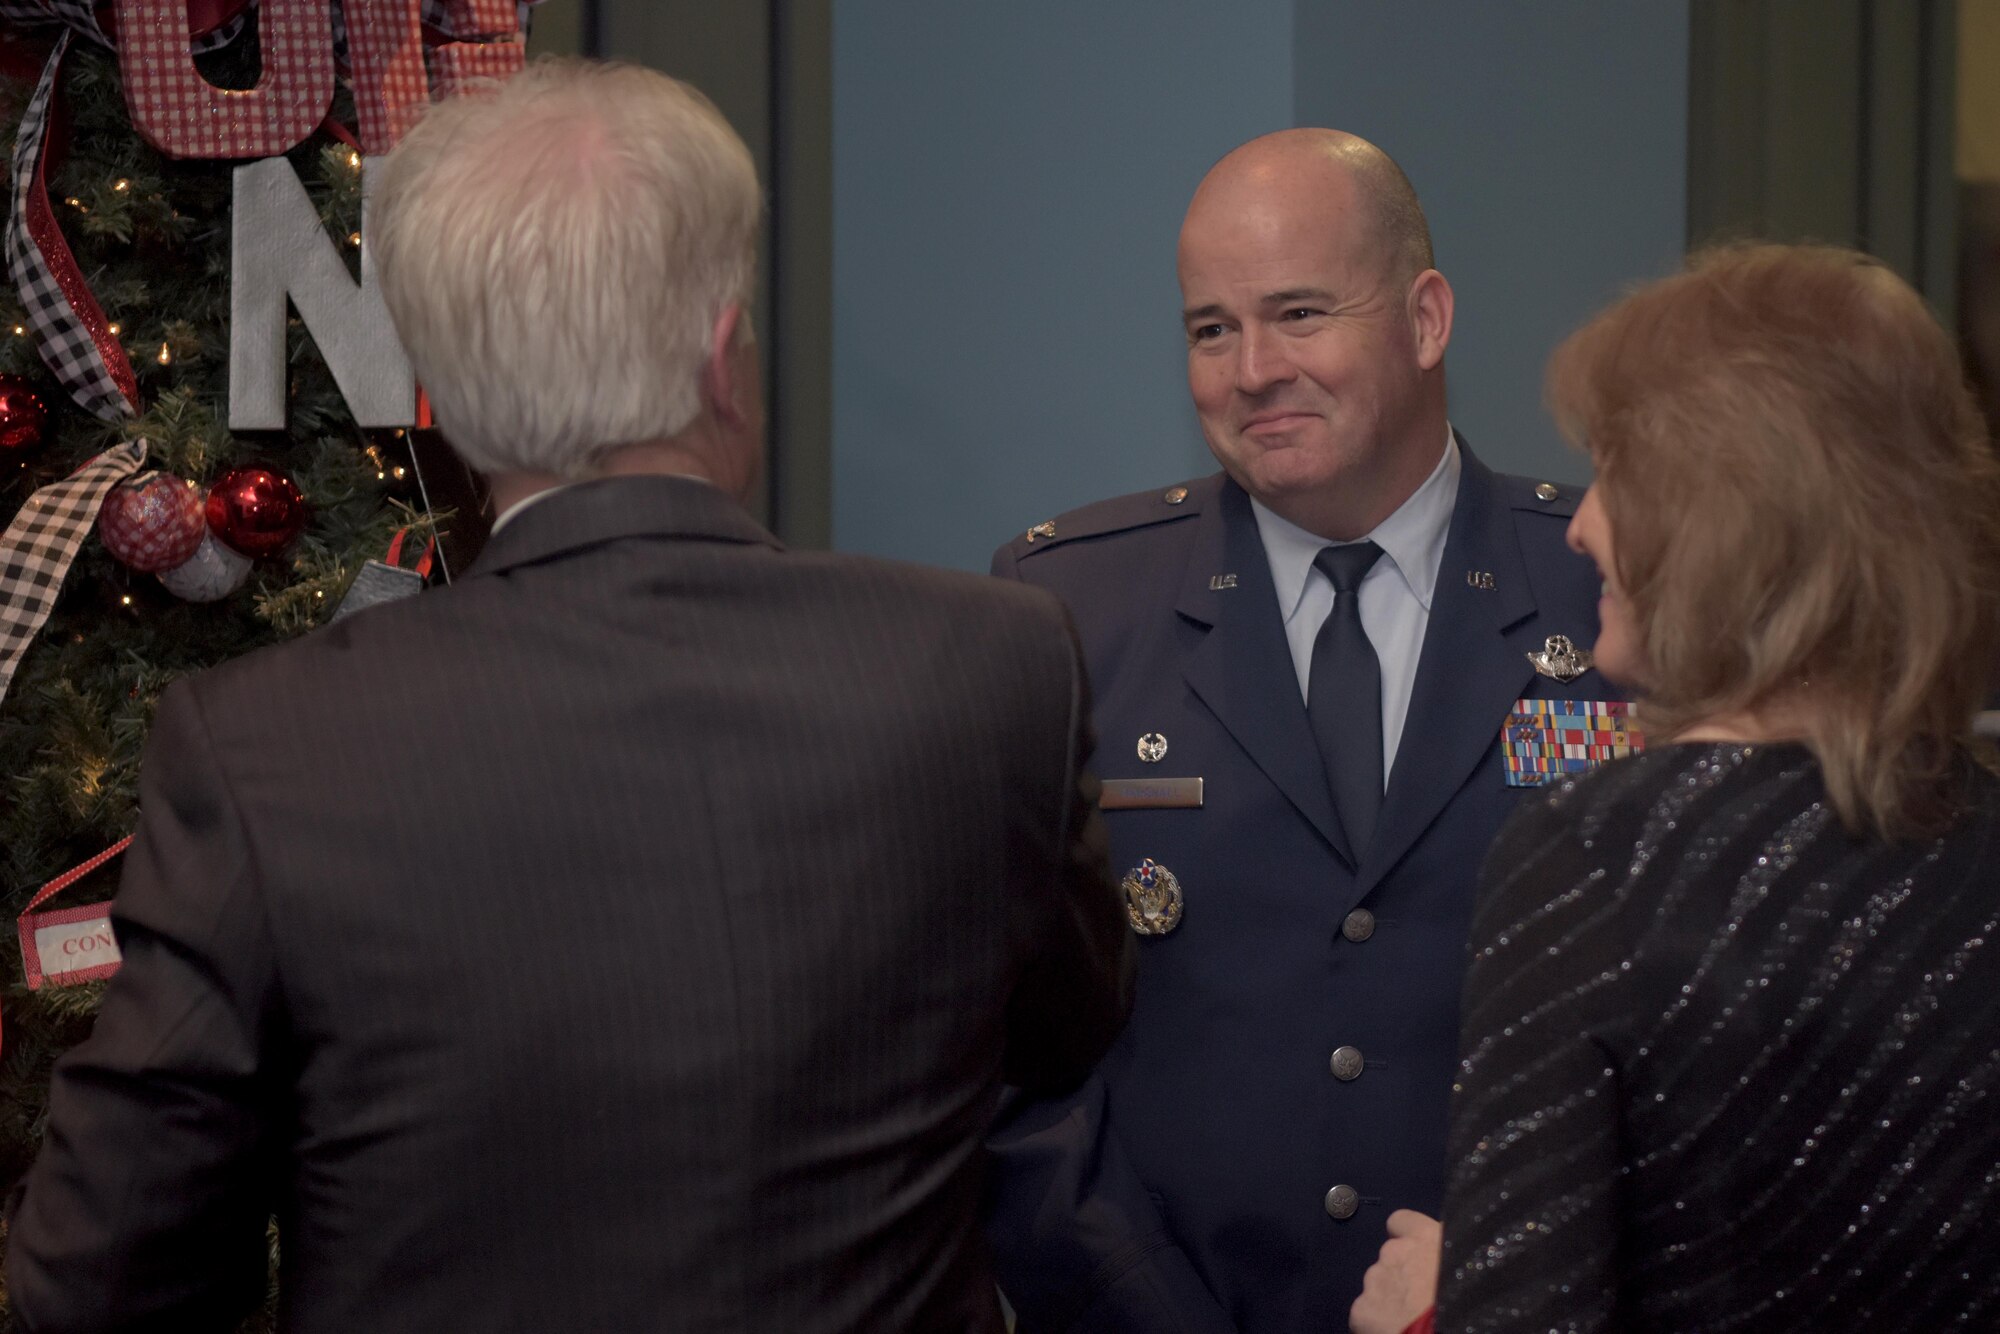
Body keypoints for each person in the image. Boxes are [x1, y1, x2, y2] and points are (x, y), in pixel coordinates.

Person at [5, 60, 1133, 1334]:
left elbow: (102, 1277)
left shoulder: (265, 747)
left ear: (446, 396)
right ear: (724, 358)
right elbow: (1065, 1042)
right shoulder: (993, 668)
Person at [985, 128, 1612, 1331]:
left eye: (1298, 312)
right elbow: (1010, 1056)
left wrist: (1512, 1282)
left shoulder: (1605, 587)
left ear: (1424, 320)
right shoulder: (1066, 606)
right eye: (1210, 328)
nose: (1250, 368)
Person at [1350, 243, 2000, 1334]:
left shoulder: (1597, 857)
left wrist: (1426, 1311)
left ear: (1720, 519)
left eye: (1612, 472)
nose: (1578, 524)